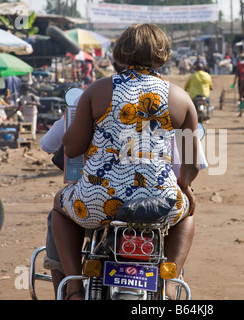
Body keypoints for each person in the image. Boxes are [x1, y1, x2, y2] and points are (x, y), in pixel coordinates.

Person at [50, 23, 200, 300]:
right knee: (187, 214)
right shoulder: (180, 98)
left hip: (97, 202)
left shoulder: (97, 91)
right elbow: (191, 164)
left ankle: (73, 288)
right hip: (159, 203)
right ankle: (168, 286)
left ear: (120, 53)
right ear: (163, 54)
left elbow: (71, 148)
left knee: (59, 209)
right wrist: (186, 189)